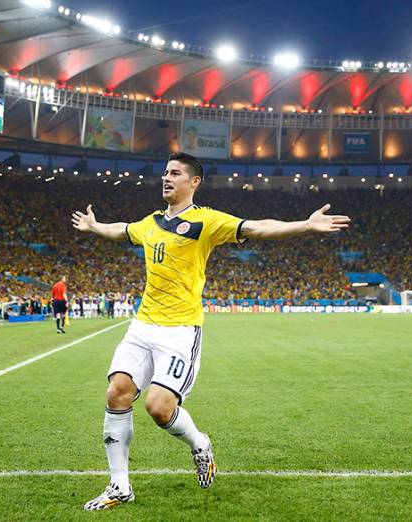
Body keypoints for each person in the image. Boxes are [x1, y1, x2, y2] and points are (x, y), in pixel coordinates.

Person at [71, 151, 350, 511]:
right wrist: (94, 226)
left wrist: (305, 225)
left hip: (179, 330)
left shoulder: (206, 221)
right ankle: (119, 486)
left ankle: (199, 443)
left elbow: (255, 227)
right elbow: (120, 230)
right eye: (165, 172)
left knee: (158, 407)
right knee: (117, 394)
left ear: (194, 182)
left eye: (175, 173)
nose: (166, 178)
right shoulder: (150, 222)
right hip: (141, 326)